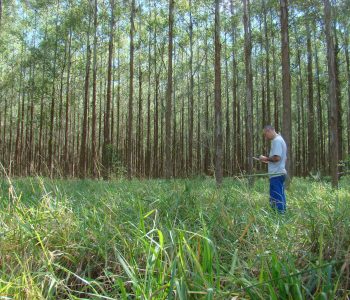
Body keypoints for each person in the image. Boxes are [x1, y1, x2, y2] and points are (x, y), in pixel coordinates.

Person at [259, 125, 287, 213]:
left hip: (276, 174)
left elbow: (277, 158)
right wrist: (268, 161)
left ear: (269, 131)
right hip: (278, 173)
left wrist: (265, 158)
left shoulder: (277, 141)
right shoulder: (279, 140)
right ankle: (281, 214)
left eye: (265, 134)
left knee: (276, 197)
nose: (266, 137)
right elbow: (281, 159)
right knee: (279, 195)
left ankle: (279, 215)